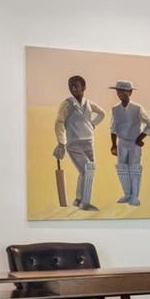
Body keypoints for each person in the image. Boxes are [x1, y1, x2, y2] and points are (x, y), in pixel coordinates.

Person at [52, 75, 105, 211]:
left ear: (84, 87)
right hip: (74, 143)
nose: (73, 88)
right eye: (71, 86)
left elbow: (102, 113)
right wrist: (61, 142)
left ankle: (78, 199)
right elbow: (59, 122)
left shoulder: (88, 103)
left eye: (76, 85)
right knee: (88, 169)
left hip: (88, 141)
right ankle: (85, 203)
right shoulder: (67, 103)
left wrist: (92, 124)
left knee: (86, 171)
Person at [108, 79, 150, 206]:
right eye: (118, 91)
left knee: (135, 169)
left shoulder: (137, 108)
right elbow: (113, 128)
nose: (120, 94)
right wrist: (113, 145)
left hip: (134, 143)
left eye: (123, 91)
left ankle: (135, 197)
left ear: (130, 92)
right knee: (122, 169)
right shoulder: (115, 109)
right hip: (121, 142)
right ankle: (127, 194)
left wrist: (140, 138)